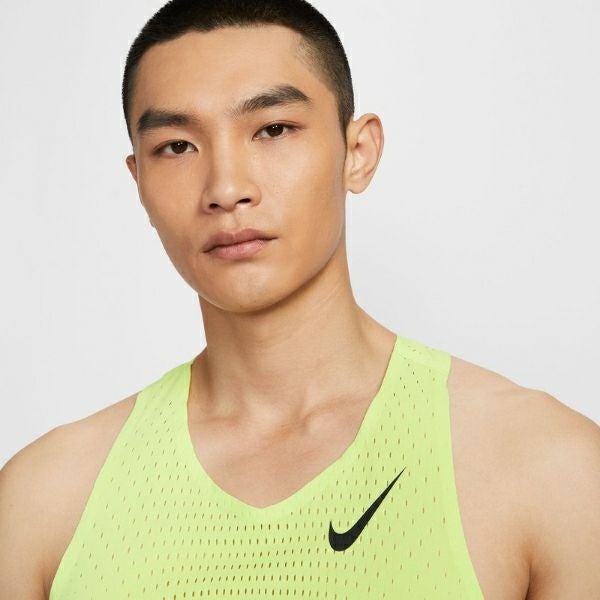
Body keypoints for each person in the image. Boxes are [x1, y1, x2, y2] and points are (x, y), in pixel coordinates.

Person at [1, 0, 599, 598]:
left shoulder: (546, 468)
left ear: (357, 153)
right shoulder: (43, 501)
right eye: (178, 146)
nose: (226, 188)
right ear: (138, 181)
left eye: (273, 130)